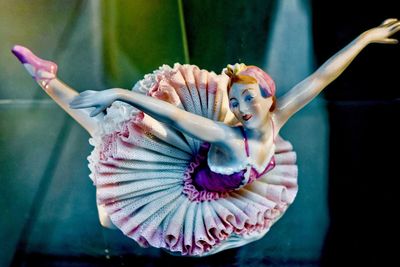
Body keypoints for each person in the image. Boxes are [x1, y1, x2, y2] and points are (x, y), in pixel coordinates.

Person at [12, 19, 400, 256]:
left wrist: (365, 38)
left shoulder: (278, 119)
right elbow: (171, 112)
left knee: (111, 177)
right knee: (107, 169)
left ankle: (48, 81)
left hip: (216, 187)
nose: (242, 107)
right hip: (179, 184)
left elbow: (321, 77)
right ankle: (45, 77)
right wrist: (117, 94)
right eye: (235, 101)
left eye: (249, 97)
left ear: (270, 97)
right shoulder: (227, 136)